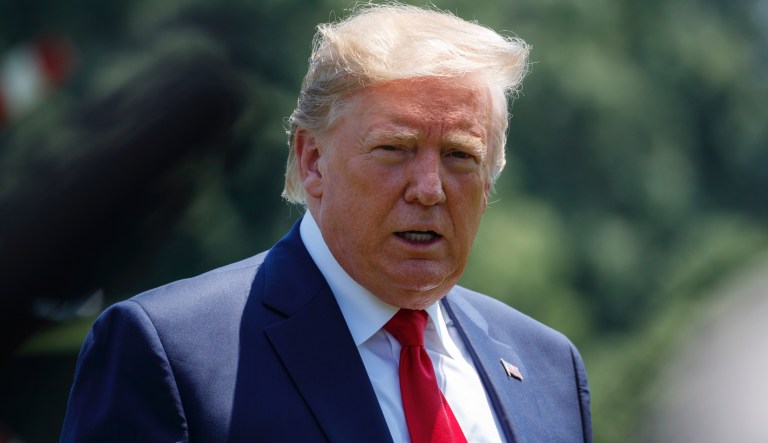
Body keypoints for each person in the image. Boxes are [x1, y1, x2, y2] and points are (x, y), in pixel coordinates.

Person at [60, 4, 591, 442]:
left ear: (489, 182)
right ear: (313, 161)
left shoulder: (549, 368)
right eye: (394, 149)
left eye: (460, 155)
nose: (429, 188)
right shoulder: (171, 355)